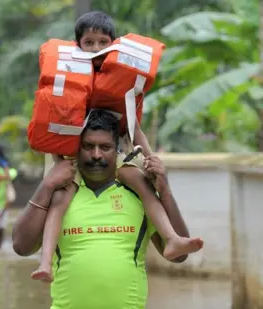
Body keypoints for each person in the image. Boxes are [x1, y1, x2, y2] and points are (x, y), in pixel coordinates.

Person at [31, 11, 204, 282]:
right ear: (78, 46)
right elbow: (57, 130)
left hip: (117, 153)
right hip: (74, 157)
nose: (96, 48)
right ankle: (45, 263)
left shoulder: (121, 82)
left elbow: (135, 130)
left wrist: (149, 157)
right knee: (60, 199)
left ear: (114, 45)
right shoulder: (71, 79)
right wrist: (57, 168)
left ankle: (171, 238)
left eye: (103, 42)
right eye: (89, 43)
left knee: (142, 184)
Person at [13, 110, 203, 308]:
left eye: (105, 147)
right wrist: (46, 186)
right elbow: (21, 246)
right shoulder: (59, 192)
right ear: (76, 148)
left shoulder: (137, 193)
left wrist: (165, 192)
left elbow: (180, 256)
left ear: (117, 149)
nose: (96, 155)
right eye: (88, 146)